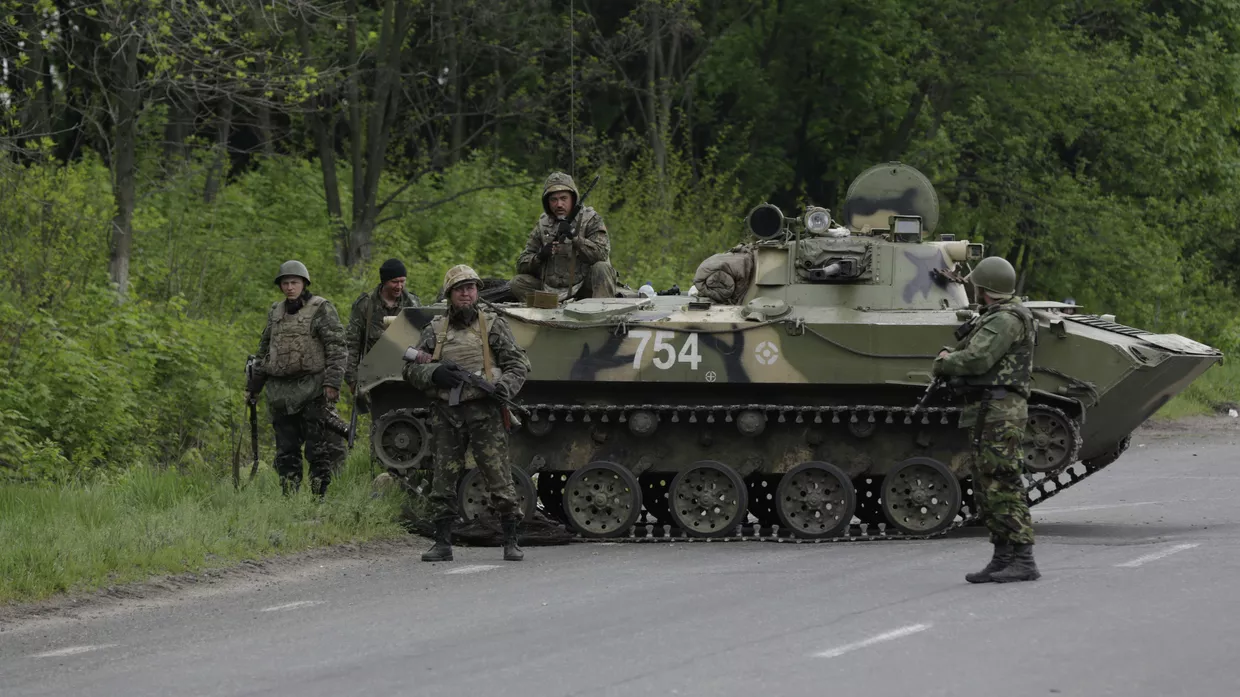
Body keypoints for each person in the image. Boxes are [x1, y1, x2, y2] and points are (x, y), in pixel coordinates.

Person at [402, 264, 532, 562]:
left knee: (499, 476)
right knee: (443, 479)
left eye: (471, 288)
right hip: (447, 413)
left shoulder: (493, 325)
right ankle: (442, 542)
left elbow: (518, 364)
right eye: (460, 289)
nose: (466, 294)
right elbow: (409, 369)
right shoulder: (435, 329)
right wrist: (434, 374)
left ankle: (511, 540)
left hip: (485, 412)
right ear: (449, 294)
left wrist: (504, 387)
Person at [932, 256, 1040, 583]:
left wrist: (946, 362)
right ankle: (1002, 556)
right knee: (987, 485)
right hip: (988, 410)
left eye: (978, 286)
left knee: (1003, 481)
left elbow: (978, 359)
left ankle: (1023, 559)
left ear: (986, 289)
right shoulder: (998, 315)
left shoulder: (1006, 319)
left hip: (1000, 412)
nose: (974, 291)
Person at [246, 260, 348, 497]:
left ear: (304, 283)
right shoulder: (276, 312)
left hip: (312, 389)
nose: (290, 287)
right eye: (285, 283)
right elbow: (264, 351)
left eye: (294, 282)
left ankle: (319, 496)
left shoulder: (321, 308)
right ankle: (289, 497)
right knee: (286, 450)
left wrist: (332, 383)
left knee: (317, 448)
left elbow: (337, 347)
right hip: (280, 391)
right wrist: (253, 387)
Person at [510, 172, 618, 303]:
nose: (559, 204)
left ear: (573, 199)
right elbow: (521, 264)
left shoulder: (591, 219)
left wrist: (575, 237)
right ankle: (548, 309)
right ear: (547, 202)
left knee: (602, 268)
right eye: (553, 200)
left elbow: (602, 254)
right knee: (517, 282)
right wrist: (540, 256)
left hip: (583, 288)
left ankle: (601, 310)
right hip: (550, 289)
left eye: (563, 198)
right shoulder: (543, 224)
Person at [345, 258, 422, 393]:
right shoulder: (365, 305)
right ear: (384, 281)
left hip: (406, 376)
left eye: (402, 281)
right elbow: (352, 343)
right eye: (394, 282)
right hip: (374, 377)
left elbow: (422, 339)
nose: (399, 286)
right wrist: (352, 379)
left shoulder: (413, 304)